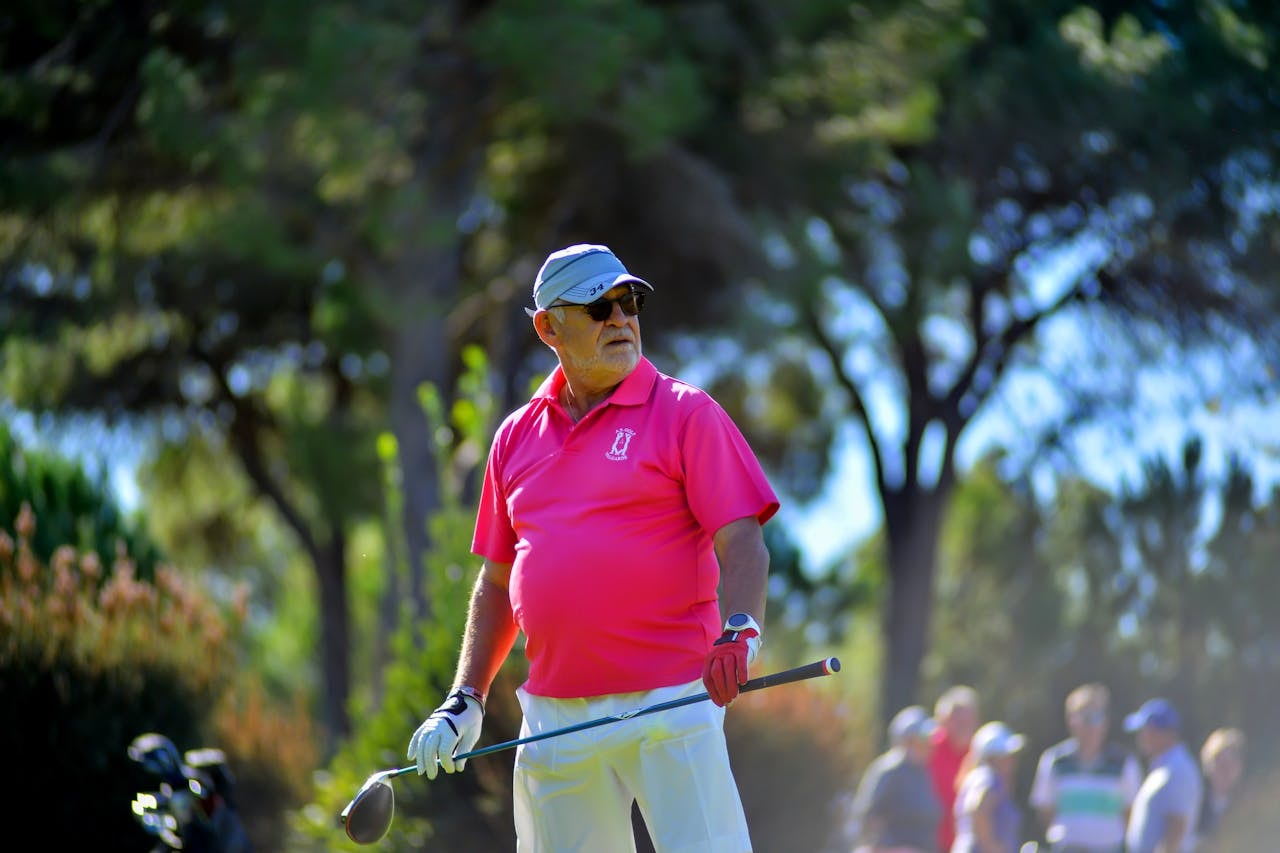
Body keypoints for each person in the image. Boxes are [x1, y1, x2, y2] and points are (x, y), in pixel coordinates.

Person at [405, 243, 780, 852]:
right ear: (548, 326)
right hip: (555, 722)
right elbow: (497, 584)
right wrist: (465, 698)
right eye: (597, 306)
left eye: (628, 301)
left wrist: (740, 630)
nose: (620, 319)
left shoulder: (686, 413)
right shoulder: (514, 438)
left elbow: (743, 542)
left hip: (672, 704)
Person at [1028, 683, 1142, 852]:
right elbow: (1045, 809)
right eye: (1084, 717)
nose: (1090, 725)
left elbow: (1131, 811)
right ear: (1070, 720)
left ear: (1105, 722)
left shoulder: (1124, 762)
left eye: (1097, 716)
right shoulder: (1054, 760)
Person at [850, 705, 943, 853]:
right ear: (907, 740)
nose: (929, 743)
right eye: (923, 738)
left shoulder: (924, 771)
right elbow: (867, 819)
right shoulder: (890, 770)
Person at [1123, 698, 1203, 853]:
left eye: (1144, 730)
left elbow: (1176, 826)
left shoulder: (1178, 769)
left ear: (1160, 733)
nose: (1140, 737)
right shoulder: (1166, 766)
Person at [951, 721, 1025, 853]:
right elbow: (978, 810)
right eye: (1005, 756)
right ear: (990, 758)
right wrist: (993, 848)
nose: (1011, 760)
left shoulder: (979, 777)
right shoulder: (987, 777)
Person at [929, 685, 981, 852]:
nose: (963, 725)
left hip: (964, 844)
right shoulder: (929, 749)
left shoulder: (979, 753)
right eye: (957, 719)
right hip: (930, 842)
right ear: (942, 721)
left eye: (968, 720)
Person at [1194, 727, 1245, 849]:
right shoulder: (1194, 803)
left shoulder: (1249, 804)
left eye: (1231, 763)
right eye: (1220, 763)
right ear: (1207, 765)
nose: (1225, 770)